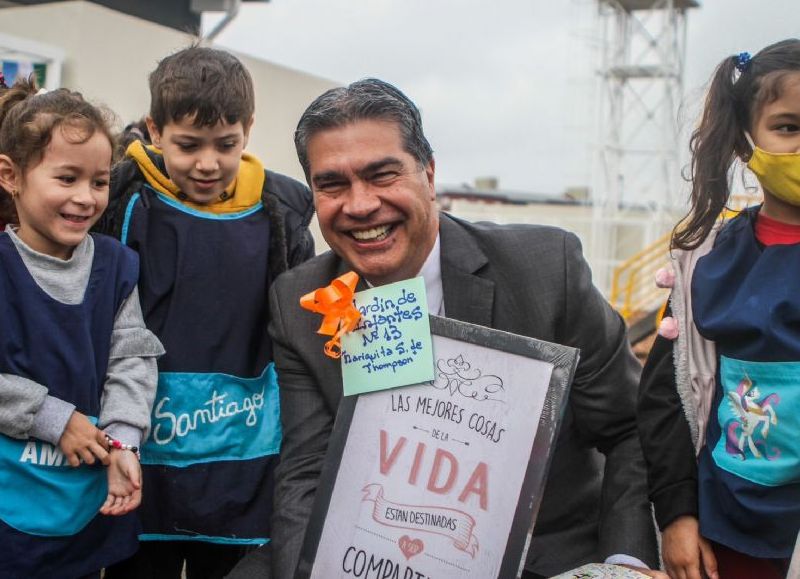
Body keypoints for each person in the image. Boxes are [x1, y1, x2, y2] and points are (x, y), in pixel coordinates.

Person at [229, 78, 660, 579]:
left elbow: (629, 427)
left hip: (534, 556)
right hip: (368, 547)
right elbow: (308, 469)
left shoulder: (547, 270)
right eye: (333, 185)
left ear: (429, 176)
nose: (361, 204)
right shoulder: (300, 300)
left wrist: (625, 563)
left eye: (382, 175)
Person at [96, 46, 315, 579]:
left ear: (249, 130)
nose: (208, 163)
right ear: (154, 129)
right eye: (188, 145)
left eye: (227, 145)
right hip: (139, 456)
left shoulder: (281, 215)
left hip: (243, 465)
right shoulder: (118, 202)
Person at [638, 39, 800, 579]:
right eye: (789, 127)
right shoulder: (704, 261)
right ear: (744, 140)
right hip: (724, 534)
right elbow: (663, 396)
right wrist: (677, 515)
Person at [0, 77, 162, 578]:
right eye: (66, 178)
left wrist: (122, 444)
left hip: (87, 503)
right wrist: (52, 417)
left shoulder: (117, 266)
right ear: (10, 175)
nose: (86, 198)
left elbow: (131, 358)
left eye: (98, 181)